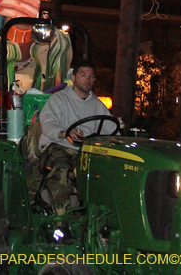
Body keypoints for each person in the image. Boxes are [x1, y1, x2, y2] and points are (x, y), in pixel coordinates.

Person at [37, 62, 119, 214]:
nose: (88, 80)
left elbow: (111, 129)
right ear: (73, 78)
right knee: (62, 168)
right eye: (83, 75)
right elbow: (48, 123)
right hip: (59, 146)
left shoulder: (97, 104)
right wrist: (63, 132)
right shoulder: (58, 99)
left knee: (112, 171)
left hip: (88, 151)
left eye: (91, 76)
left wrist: (118, 131)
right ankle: (61, 219)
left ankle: (102, 217)